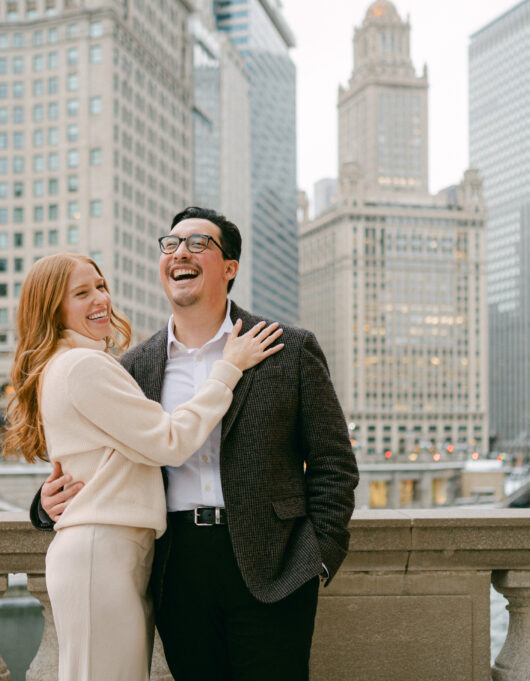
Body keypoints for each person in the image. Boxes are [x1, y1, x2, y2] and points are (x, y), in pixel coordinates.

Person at [32, 207, 360, 681]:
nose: (180, 252)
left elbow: (334, 463)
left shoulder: (288, 348)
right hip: (175, 566)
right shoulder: (131, 366)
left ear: (229, 268)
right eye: (171, 244)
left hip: (272, 563)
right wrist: (44, 505)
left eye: (199, 243)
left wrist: (318, 558)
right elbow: (95, 455)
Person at [4, 252, 284, 681]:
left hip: (112, 551)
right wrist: (227, 370)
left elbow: (94, 458)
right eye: (81, 293)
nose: (101, 299)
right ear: (52, 309)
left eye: (100, 286)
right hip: (103, 552)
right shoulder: (82, 365)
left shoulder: (72, 364)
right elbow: (169, 442)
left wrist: (46, 503)